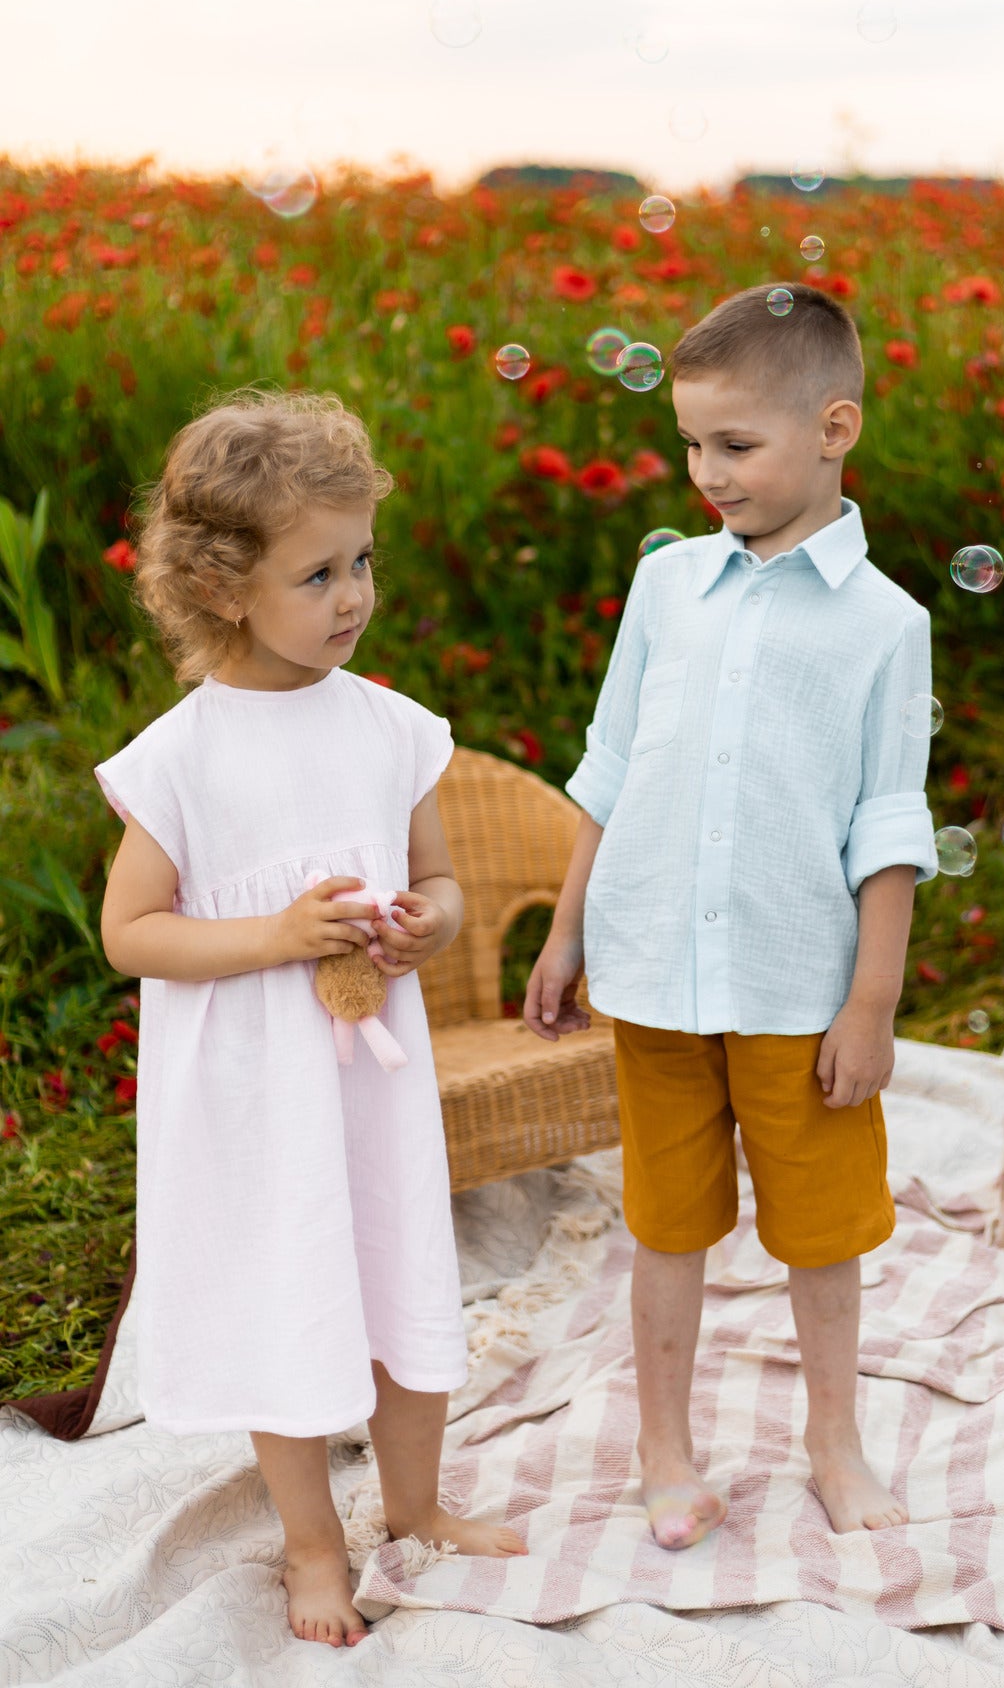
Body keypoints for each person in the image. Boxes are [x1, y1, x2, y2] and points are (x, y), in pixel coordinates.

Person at [94, 387, 524, 1651]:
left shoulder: (390, 727)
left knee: (399, 1270)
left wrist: (427, 923)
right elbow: (133, 933)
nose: (352, 595)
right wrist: (277, 935)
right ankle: (312, 1542)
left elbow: (437, 879)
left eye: (363, 562)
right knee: (292, 1290)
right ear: (225, 585)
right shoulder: (183, 759)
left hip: (368, 1084)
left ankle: (415, 1500)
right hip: (253, 1093)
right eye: (317, 571)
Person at [524, 283, 938, 1550]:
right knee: (667, 1221)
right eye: (694, 443)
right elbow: (610, 762)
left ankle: (832, 1440)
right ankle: (664, 1446)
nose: (707, 471)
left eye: (736, 444)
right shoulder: (667, 589)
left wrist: (868, 1002)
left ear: (834, 426)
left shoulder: (884, 622)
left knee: (820, 1232)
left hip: (793, 985)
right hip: (652, 970)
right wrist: (565, 928)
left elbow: (887, 825)